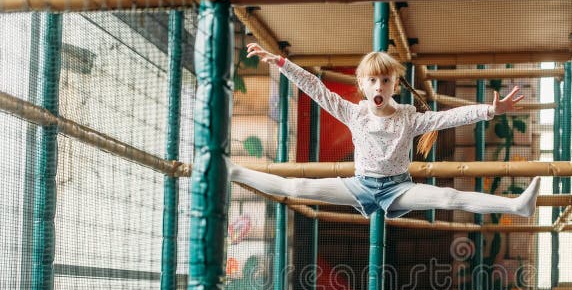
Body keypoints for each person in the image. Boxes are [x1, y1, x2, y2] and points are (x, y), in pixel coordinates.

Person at [226, 45, 541, 219]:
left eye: (385, 81)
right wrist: (282, 62)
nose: (379, 86)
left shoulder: (408, 117)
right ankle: (236, 171)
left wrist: (490, 110)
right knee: (295, 189)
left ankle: (516, 206)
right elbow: (316, 88)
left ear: (394, 85)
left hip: (398, 188)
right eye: (373, 81)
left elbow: (449, 118)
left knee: (449, 196)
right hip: (360, 185)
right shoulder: (353, 112)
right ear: (362, 85)